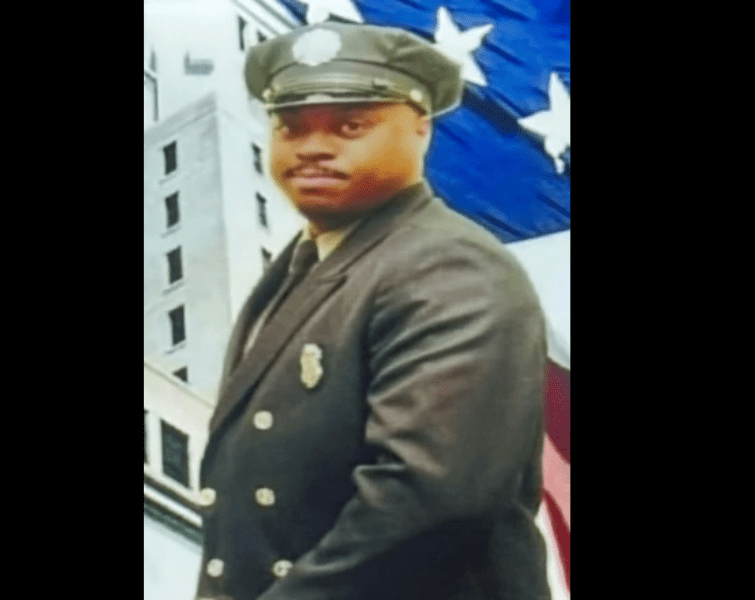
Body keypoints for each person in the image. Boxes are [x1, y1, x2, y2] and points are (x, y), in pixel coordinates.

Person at [193, 21, 550, 600]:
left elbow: (428, 499)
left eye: (350, 126)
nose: (312, 146)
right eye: (290, 126)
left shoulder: (449, 266)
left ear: (421, 129)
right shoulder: (307, 265)